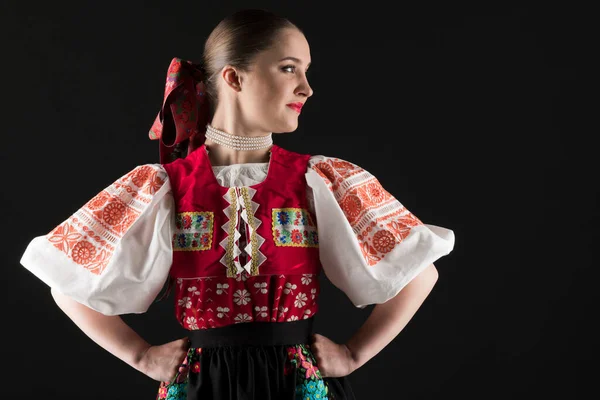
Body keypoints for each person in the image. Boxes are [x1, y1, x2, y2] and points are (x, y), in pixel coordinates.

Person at [19, 8, 455, 400]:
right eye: (289, 68)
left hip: (299, 386)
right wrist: (141, 356)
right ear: (234, 77)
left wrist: (355, 354)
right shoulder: (163, 186)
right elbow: (66, 282)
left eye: (305, 71)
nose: (306, 87)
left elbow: (420, 271)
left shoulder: (320, 180)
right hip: (201, 386)